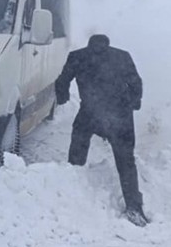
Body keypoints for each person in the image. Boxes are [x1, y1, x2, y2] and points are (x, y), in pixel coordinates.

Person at [54, 34, 148, 226]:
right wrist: (134, 102)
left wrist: (62, 97)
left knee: (78, 144)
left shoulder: (78, 56)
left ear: (90, 45)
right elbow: (136, 83)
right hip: (120, 115)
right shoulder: (122, 56)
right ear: (108, 45)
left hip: (90, 112)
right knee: (126, 161)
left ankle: (72, 187)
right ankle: (134, 207)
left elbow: (62, 81)